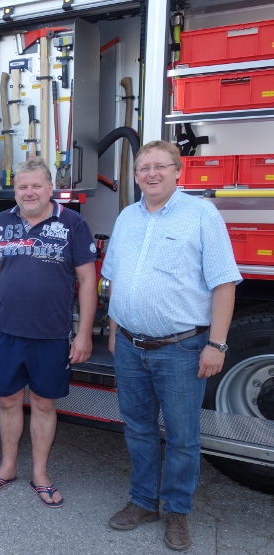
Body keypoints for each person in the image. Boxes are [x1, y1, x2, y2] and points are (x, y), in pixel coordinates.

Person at [103, 140, 241, 550]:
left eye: (160, 166)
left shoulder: (201, 215)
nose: (151, 174)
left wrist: (217, 344)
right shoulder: (127, 217)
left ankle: (177, 510)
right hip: (130, 345)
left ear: (178, 171)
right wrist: (113, 330)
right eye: (143, 167)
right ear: (135, 175)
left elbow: (224, 283)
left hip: (181, 349)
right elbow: (117, 278)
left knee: (182, 436)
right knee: (138, 428)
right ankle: (143, 501)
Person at [0, 158, 97, 507]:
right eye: (22, 186)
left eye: (36, 186)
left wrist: (84, 334)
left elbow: (88, 281)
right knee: (8, 401)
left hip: (51, 333)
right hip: (5, 330)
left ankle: (40, 474)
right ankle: (7, 467)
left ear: (50, 188)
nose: (29, 192)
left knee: (44, 403)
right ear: (15, 190)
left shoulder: (72, 223)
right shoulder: (1, 222)